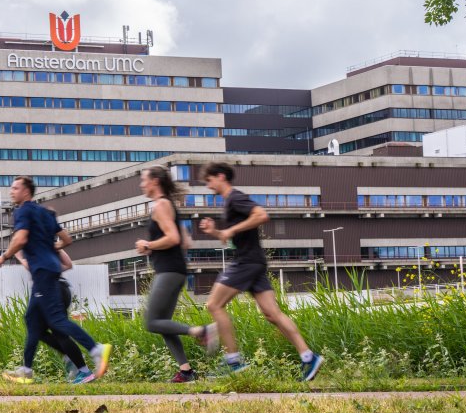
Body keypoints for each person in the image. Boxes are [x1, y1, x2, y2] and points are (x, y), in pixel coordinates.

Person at [198, 162, 324, 382]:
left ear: (220, 176)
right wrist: (216, 232)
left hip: (246, 262)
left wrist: (230, 229)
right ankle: (308, 357)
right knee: (272, 314)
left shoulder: (235, 198)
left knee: (214, 305)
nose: (208, 186)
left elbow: (261, 215)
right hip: (255, 261)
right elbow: (234, 236)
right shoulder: (230, 202)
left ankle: (233, 360)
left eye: (209, 181)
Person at [0, 176, 112, 384]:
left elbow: (20, 239)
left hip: (43, 272)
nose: (11, 191)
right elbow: (66, 239)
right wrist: (50, 249)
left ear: (26, 191)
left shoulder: (23, 210)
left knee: (57, 321)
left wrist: (4, 256)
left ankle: (96, 349)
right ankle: (26, 370)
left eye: (15, 188)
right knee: (32, 319)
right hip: (49, 271)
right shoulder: (45, 213)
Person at [134, 165, 208, 383]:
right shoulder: (169, 205)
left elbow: (174, 238)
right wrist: (158, 248)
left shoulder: (161, 205)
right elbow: (185, 241)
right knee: (163, 323)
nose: (142, 184)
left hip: (168, 270)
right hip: (174, 269)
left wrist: (148, 244)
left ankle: (200, 331)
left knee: (152, 322)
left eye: (144, 180)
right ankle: (186, 372)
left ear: (155, 181)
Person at [15, 248, 92, 383]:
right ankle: (78, 365)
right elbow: (68, 264)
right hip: (62, 288)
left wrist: (20, 257)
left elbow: (33, 267)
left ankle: (83, 368)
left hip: (49, 291)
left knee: (38, 327)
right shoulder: (49, 244)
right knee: (42, 331)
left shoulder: (35, 243)